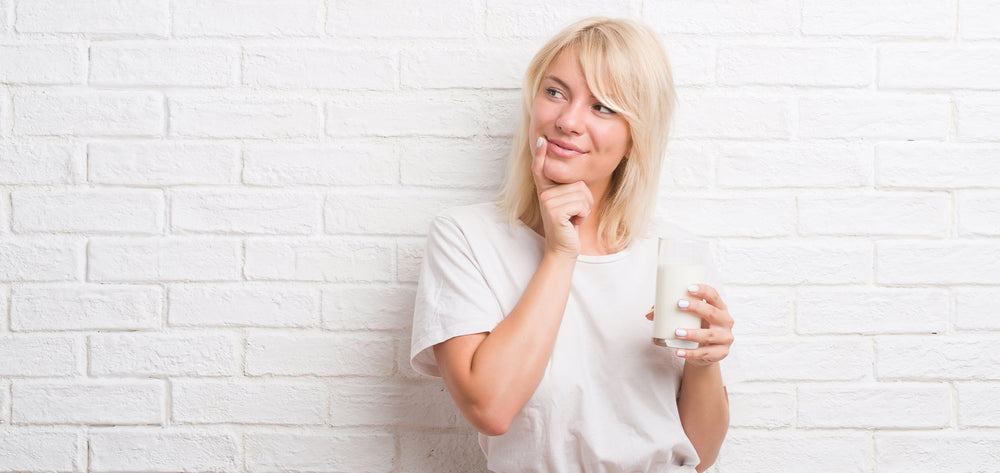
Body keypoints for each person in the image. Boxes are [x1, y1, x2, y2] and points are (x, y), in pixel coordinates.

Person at [410, 17, 737, 473]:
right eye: (555, 92)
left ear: (633, 139)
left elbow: (700, 456)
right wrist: (561, 252)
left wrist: (704, 364)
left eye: (602, 107)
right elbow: (490, 409)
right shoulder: (466, 238)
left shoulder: (673, 254)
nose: (566, 121)